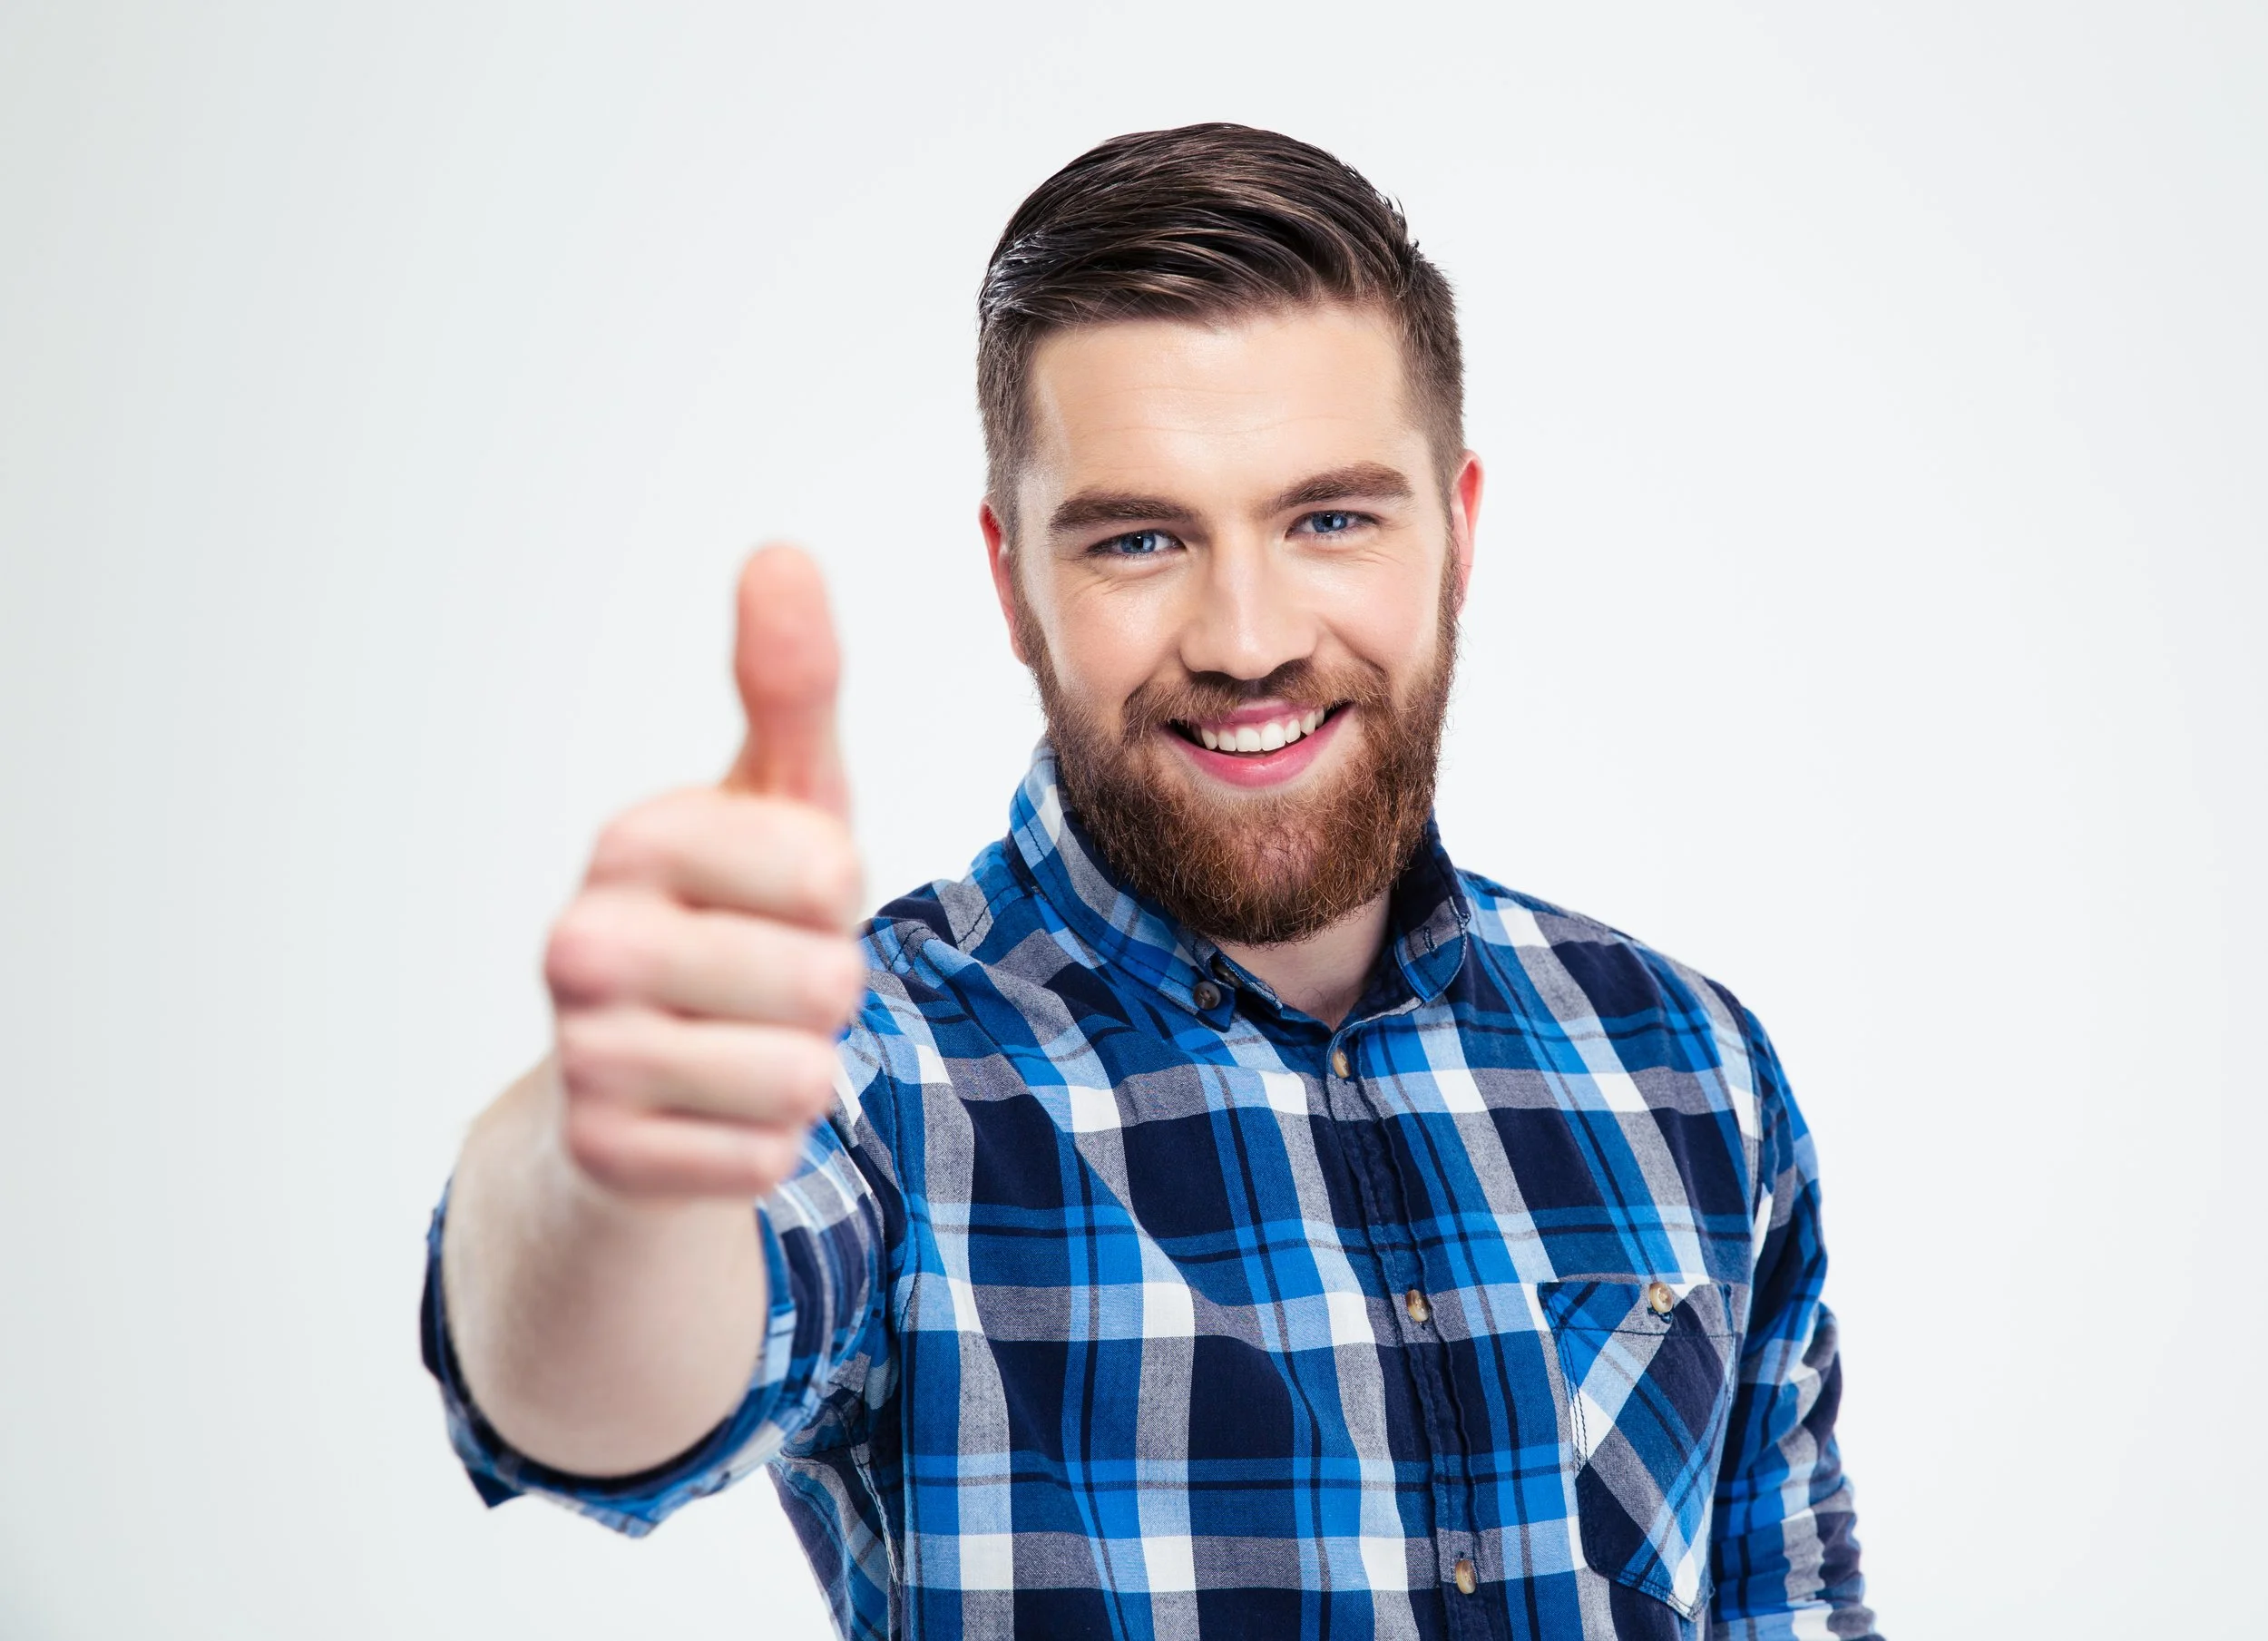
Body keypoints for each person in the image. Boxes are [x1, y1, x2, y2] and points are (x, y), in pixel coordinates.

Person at [422, 123, 1879, 1640]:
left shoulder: (1686, 1064)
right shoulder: (879, 1068)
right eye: (1138, 539)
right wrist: (607, 1170)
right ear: (1014, 585)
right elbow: (594, 1400)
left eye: (1330, 519)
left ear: (1456, 533)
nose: (1248, 638)